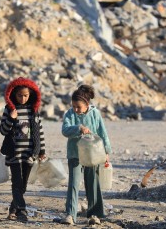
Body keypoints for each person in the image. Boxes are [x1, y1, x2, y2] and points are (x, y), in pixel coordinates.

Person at [60, 84, 112, 225]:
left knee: (93, 184)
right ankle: (70, 215)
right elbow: (65, 130)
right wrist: (78, 128)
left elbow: (103, 133)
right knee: (73, 185)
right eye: (74, 106)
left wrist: (107, 151)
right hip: (75, 155)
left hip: (92, 155)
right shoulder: (70, 114)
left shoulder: (95, 114)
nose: (76, 110)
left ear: (87, 104)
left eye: (79, 107)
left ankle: (94, 214)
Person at [0, 77, 46, 222]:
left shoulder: (33, 110)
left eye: (26, 95)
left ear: (31, 94)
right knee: (17, 183)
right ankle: (21, 211)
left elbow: (39, 131)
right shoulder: (9, 109)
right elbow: (3, 130)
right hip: (14, 153)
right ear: (13, 94)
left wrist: (41, 150)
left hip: (29, 153)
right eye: (20, 95)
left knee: (23, 185)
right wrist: (11, 119)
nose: (23, 98)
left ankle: (13, 209)